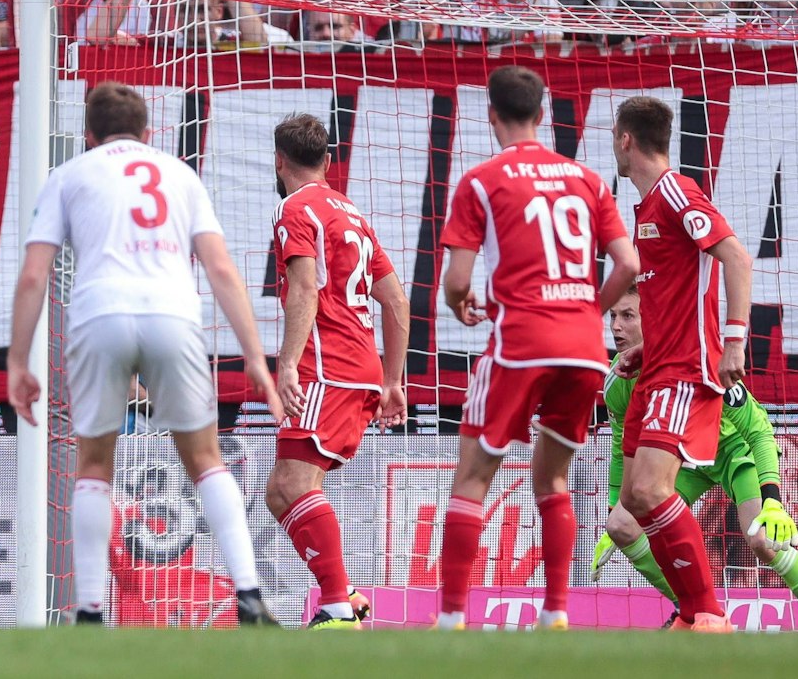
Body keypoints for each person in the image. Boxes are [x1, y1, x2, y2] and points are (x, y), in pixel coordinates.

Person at [8, 81, 282, 625]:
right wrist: (255, 355)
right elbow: (222, 268)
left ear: (88, 135)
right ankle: (249, 596)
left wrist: (19, 360)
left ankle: (88, 611)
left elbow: (34, 274)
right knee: (205, 459)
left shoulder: (68, 175)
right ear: (149, 131)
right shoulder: (179, 173)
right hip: (172, 315)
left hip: (98, 316)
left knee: (92, 464)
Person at [433, 68, 639, 631]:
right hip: (582, 349)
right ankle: (556, 613)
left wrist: (460, 304)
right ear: (543, 115)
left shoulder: (482, 180)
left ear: (492, 115)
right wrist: (585, 311)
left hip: (521, 342)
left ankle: (450, 618)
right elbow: (628, 264)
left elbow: (456, 282)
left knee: (474, 477)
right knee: (552, 478)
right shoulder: (588, 180)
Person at [592, 289, 798, 632]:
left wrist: (773, 500)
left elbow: (759, 431)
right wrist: (616, 503)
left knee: (763, 541)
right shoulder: (617, 380)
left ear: (655, 320)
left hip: (733, 455)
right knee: (621, 526)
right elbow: (620, 444)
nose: (615, 326)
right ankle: (696, 613)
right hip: (684, 463)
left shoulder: (701, 363)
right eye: (613, 316)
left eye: (628, 316)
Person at [610, 95, 756, 631]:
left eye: (613, 137)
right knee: (632, 500)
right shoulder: (649, 205)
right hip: (658, 366)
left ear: (626, 139)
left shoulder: (674, 190)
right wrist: (645, 349)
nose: (614, 147)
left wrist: (734, 340)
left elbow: (736, 256)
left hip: (685, 370)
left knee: (651, 490)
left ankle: (707, 616)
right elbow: (679, 293)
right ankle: (697, 614)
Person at [262, 114, 406, 630]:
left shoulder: (295, 208)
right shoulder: (353, 213)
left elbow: (303, 289)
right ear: (327, 161)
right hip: (360, 367)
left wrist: (285, 365)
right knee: (281, 488)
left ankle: (338, 609)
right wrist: (392, 379)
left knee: (294, 483)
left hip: (327, 366)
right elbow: (396, 301)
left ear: (280, 160)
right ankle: (343, 593)